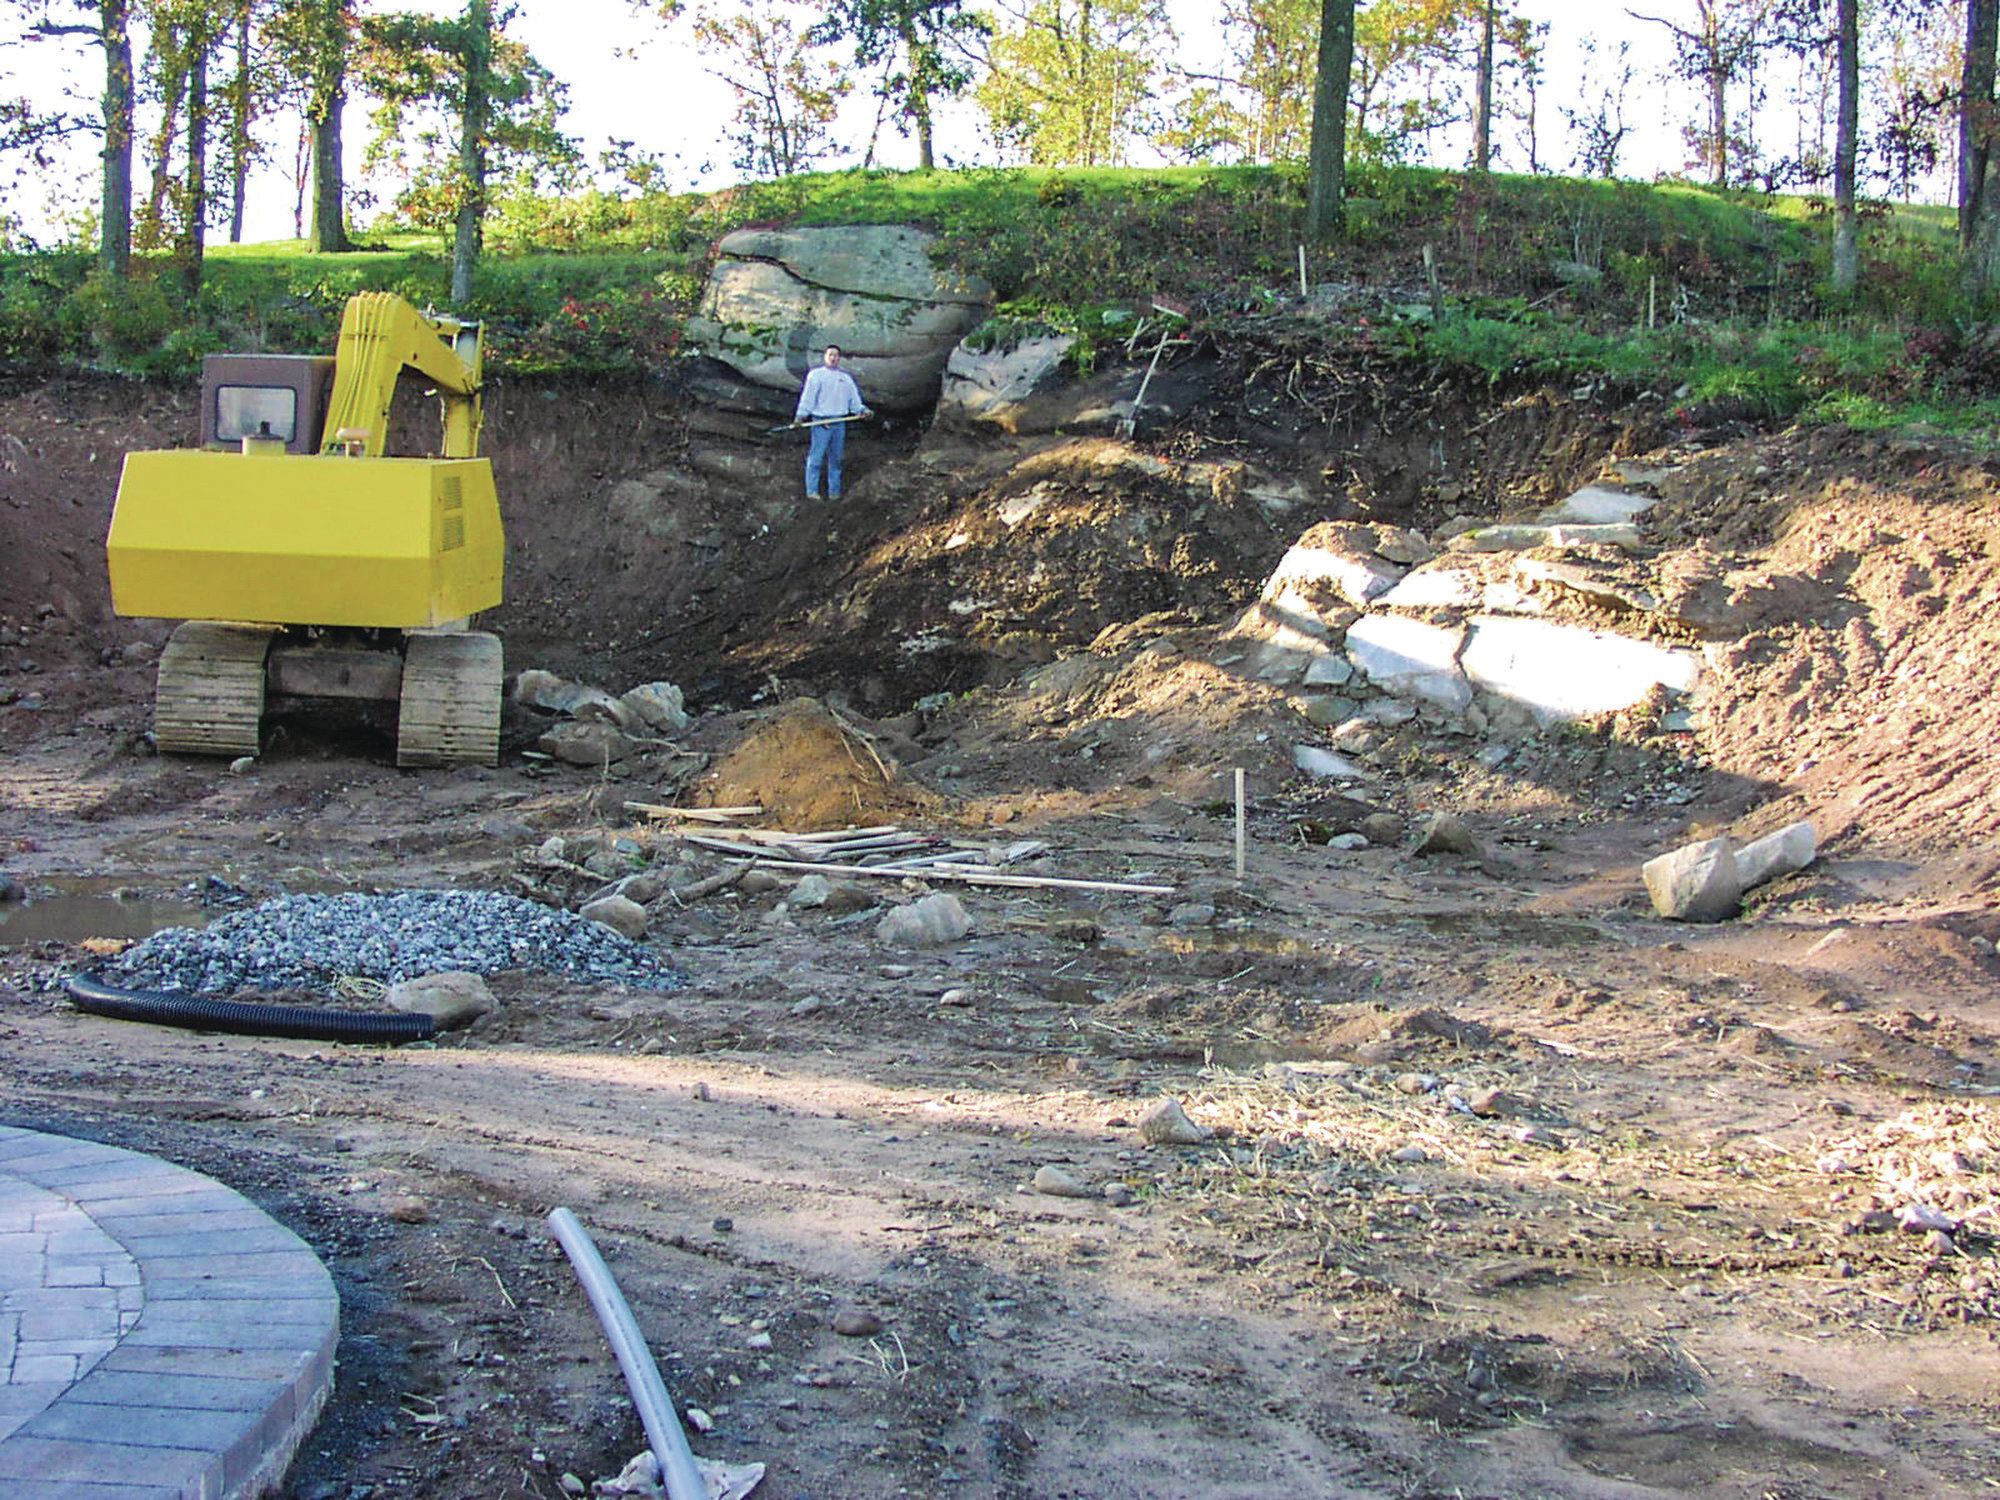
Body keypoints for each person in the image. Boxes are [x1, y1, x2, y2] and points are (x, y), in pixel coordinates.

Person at [793, 344, 870, 500]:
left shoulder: (846, 379)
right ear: (825, 356)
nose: (833, 358)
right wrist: (800, 416)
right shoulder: (816, 375)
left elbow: (854, 403)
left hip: (839, 422)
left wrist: (863, 411)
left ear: (839, 358)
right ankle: (812, 492)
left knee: (836, 459)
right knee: (816, 457)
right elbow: (808, 398)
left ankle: (834, 493)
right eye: (830, 355)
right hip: (821, 422)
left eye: (836, 355)